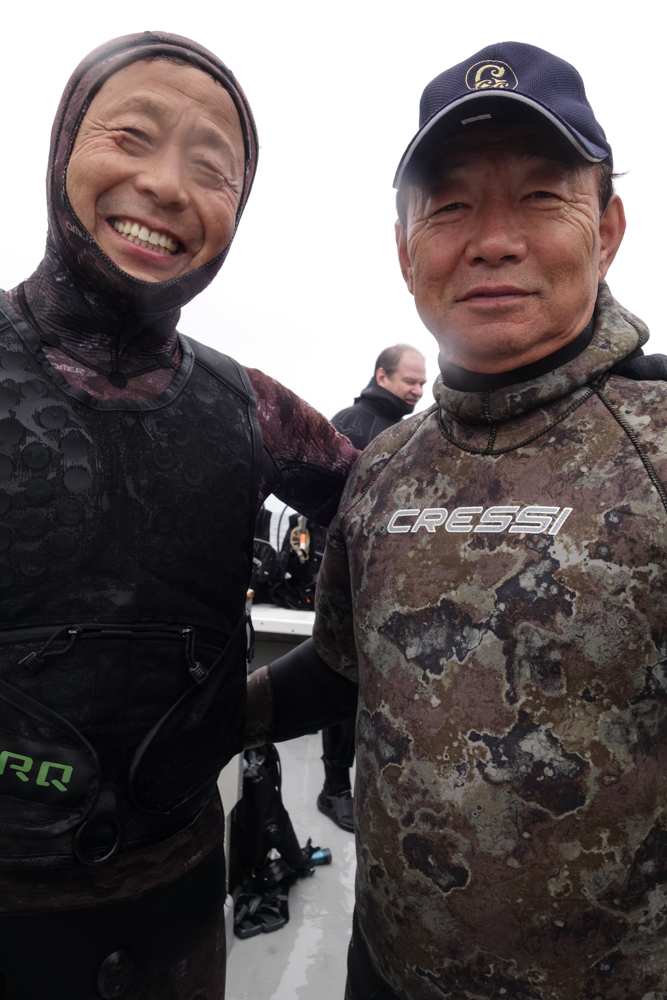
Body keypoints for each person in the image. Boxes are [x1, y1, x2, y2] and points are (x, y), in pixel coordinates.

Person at [247, 40, 667, 999]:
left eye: (539, 196)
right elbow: (343, 666)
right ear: (405, 253)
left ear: (606, 229)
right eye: (449, 207)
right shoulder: (384, 466)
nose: (493, 240)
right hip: (382, 967)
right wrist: (206, 720)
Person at [0, 32, 358, 999]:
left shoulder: (255, 408)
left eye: (212, 169)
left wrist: (255, 706)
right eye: (131, 136)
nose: (164, 185)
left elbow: (394, 522)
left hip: (178, 902)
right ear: (61, 147)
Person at [317, 345, 426, 832]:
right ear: (382, 376)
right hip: (351, 581)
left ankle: (375, 785)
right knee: (344, 678)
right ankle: (334, 788)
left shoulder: (412, 431)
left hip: (395, 585)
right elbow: (323, 506)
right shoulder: (352, 424)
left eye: (422, 383)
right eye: (409, 381)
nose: (418, 390)